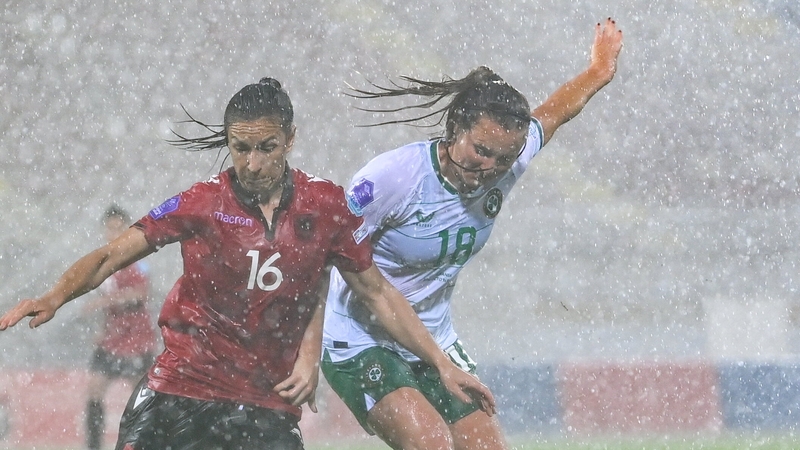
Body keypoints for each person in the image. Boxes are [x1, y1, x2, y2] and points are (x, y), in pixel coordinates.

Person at [0, 77, 495, 450]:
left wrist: (440, 363)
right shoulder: (200, 204)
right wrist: (55, 295)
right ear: (227, 143)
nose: (253, 164)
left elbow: (375, 292)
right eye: (240, 149)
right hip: (180, 390)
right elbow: (113, 253)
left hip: (263, 404)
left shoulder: (326, 210)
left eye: (266, 148)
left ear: (290, 139)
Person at [321, 18, 624, 450]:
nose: (491, 169)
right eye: (481, 151)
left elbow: (555, 113)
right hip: (361, 339)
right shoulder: (391, 180)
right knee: (432, 445)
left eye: (505, 158)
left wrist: (598, 72)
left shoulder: (506, 163)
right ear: (454, 131)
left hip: (435, 339)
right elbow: (350, 274)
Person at [81, 204, 157, 450]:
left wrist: (103, 301)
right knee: (93, 390)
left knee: (142, 397)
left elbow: (140, 293)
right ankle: (93, 445)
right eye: (110, 228)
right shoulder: (104, 261)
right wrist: (102, 328)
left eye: (118, 228)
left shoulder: (137, 258)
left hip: (137, 339)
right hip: (112, 340)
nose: (113, 233)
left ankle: (143, 442)